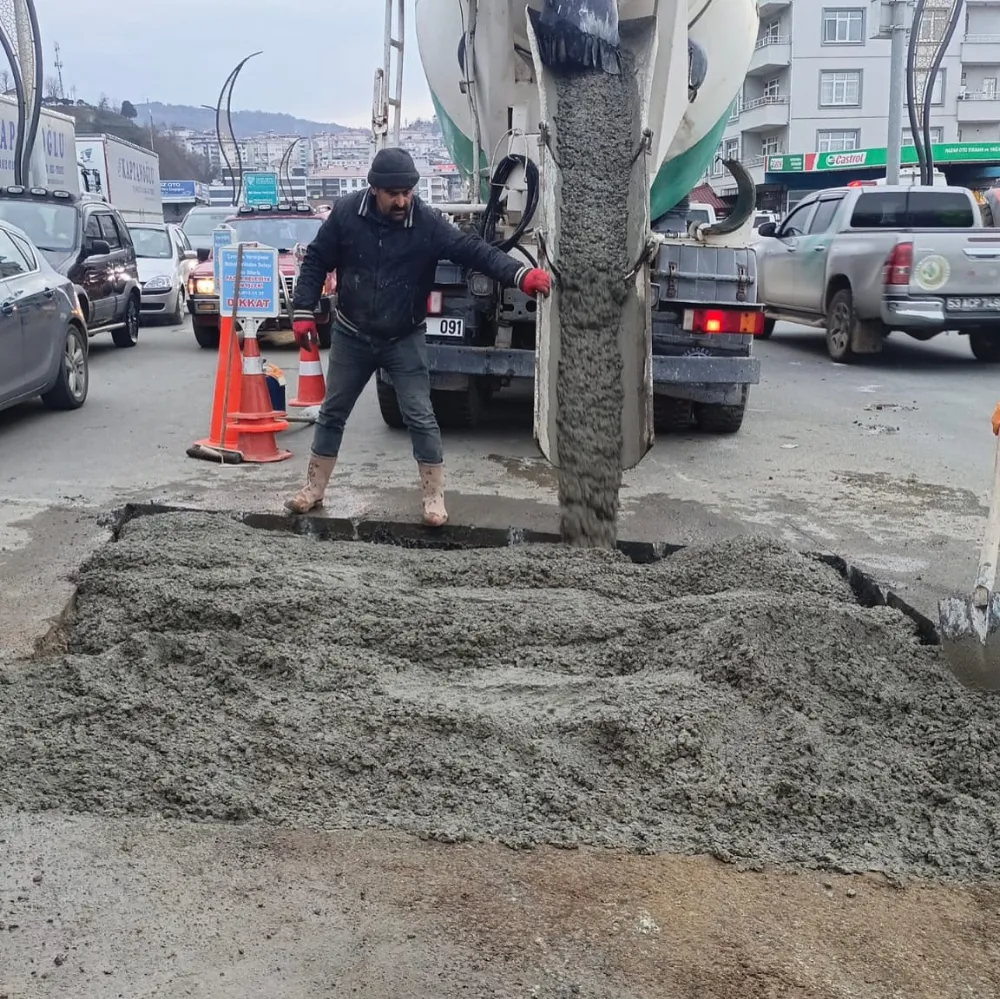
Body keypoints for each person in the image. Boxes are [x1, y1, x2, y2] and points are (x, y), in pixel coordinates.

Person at [285, 147, 552, 526]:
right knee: (332, 413)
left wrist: (519, 275)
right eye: (394, 193)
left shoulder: (426, 222)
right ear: (373, 189)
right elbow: (315, 260)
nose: (402, 200)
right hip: (352, 333)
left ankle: (433, 498)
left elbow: (473, 250)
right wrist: (303, 311)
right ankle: (313, 489)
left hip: (403, 337)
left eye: (408, 192)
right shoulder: (346, 215)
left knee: (421, 416)